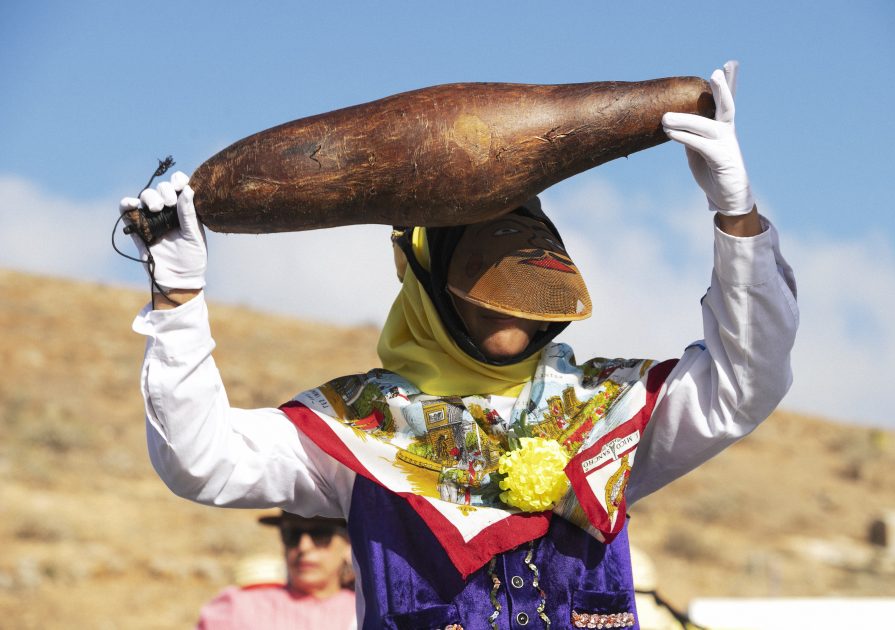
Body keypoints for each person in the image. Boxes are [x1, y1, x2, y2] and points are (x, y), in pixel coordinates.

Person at [125, 61, 797, 629]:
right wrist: (179, 296)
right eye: (481, 275)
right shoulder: (358, 432)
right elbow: (202, 460)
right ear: (428, 280)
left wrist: (737, 220)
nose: (513, 309)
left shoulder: (604, 413)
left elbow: (744, 383)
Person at [197, 511, 357, 629]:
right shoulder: (238, 607)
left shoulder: (368, 613)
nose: (304, 546)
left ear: (348, 544)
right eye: (292, 534)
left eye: (320, 535)